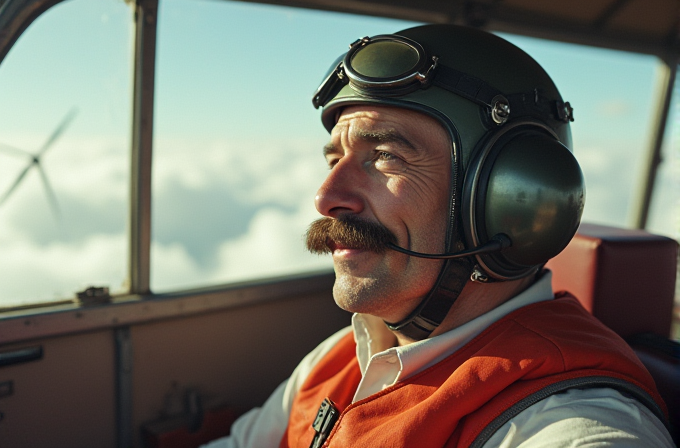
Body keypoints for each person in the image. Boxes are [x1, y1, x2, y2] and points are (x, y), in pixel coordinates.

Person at [205, 24, 674, 447]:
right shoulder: (344, 354)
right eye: (334, 160)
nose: (326, 197)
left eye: (386, 155)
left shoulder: (562, 418)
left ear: (500, 199)